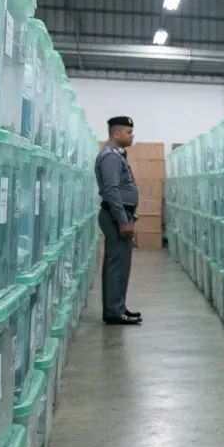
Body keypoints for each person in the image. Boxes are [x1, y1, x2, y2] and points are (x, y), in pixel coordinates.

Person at [95, 116, 143, 326]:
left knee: (121, 265)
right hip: (116, 218)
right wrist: (123, 220)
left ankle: (118, 306)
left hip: (121, 215)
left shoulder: (117, 155)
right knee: (116, 265)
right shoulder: (111, 157)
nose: (132, 136)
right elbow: (111, 190)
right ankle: (114, 311)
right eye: (129, 132)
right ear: (116, 133)